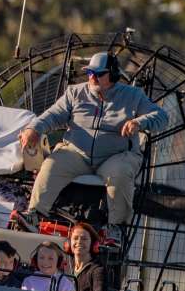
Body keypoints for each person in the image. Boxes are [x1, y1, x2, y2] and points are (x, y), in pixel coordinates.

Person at [12, 51, 168, 241]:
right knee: (52, 164)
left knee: (120, 173)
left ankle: (116, 228)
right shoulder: (75, 92)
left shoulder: (133, 96)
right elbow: (53, 115)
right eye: (89, 73)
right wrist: (34, 129)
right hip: (77, 153)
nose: (92, 77)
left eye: (98, 74)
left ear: (112, 74)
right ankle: (34, 215)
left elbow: (161, 117)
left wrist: (139, 122)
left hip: (116, 156)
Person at [68, 222, 107, 291]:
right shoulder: (65, 263)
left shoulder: (98, 270)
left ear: (92, 244)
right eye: (75, 238)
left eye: (84, 239)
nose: (79, 242)